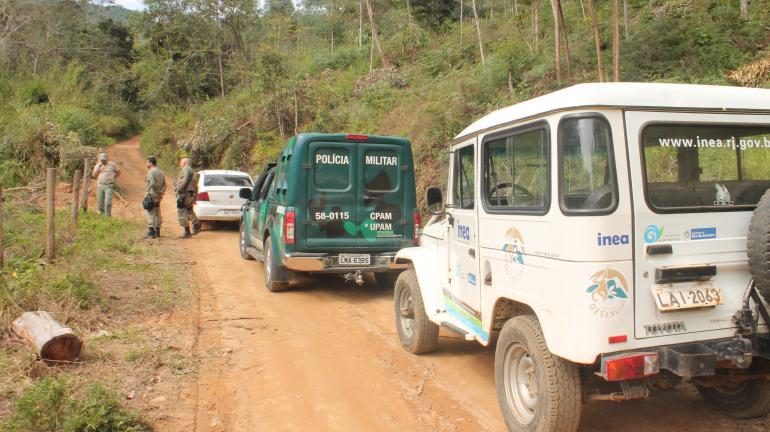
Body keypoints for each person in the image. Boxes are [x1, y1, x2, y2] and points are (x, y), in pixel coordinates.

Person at [175, 157, 200, 238]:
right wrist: (195, 197)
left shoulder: (186, 169)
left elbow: (185, 180)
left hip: (184, 194)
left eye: (181, 163)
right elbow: (196, 187)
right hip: (190, 195)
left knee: (181, 212)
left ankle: (187, 232)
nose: (180, 164)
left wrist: (179, 189)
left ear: (185, 163)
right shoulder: (193, 172)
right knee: (189, 211)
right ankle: (196, 225)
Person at [144, 156, 166, 239]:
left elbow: (152, 183)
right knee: (157, 212)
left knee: (150, 212)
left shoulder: (150, 172)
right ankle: (157, 232)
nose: (146, 164)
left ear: (150, 163)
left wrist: (149, 190)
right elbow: (165, 184)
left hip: (152, 194)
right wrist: (161, 193)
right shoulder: (161, 172)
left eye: (147, 162)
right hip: (159, 196)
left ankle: (151, 232)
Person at [92, 152, 120, 217]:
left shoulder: (112, 164)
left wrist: (113, 177)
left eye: (104, 160)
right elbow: (94, 175)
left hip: (109, 185)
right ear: (100, 160)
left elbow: (118, 172)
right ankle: (100, 215)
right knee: (100, 202)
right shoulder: (98, 165)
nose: (103, 161)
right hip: (100, 185)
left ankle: (107, 216)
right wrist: (98, 167)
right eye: (102, 160)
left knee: (108, 202)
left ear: (107, 159)